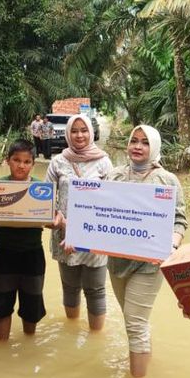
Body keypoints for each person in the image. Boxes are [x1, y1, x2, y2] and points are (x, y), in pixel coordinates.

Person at [105, 125, 187, 377]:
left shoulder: (167, 180)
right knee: (134, 320)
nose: (137, 146)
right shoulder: (114, 176)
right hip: (117, 261)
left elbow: (180, 220)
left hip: (150, 263)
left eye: (144, 142)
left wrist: (171, 245)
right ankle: (145, 366)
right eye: (134, 141)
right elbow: (98, 211)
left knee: (135, 323)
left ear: (154, 147)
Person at [0, 139, 60, 340]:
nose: (21, 165)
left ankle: (28, 345)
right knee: (1, 306)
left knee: (32, 306)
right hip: (4, 253)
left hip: (32, 254)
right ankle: (2, 348)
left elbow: (52, 220)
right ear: (8, 161)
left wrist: (56, 222)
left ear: (33, 163)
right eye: (16, 160)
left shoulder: (42, 188)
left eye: (27, 161)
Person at [45, 114, 113, 330]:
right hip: (65, 236)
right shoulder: (58, 162)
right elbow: (46, 197)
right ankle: (71, 331)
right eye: (74, 131)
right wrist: (55, 218)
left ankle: (96, 337)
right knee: (70, 287)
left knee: (96, 289)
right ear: (67, 134)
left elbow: (114, 200)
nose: (79, 135)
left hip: (96, 236)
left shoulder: (103, 162)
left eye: (84, 130)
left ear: (91, 133)